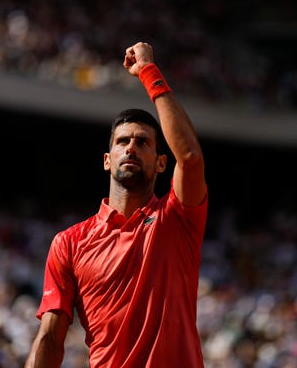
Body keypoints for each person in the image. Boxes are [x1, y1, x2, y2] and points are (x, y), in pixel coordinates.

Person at [25, 41, 208, 367]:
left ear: (162, 162)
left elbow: (191, 157)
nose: (132, 148)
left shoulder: (177, 218)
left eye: (143, 142)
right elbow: (50, 338)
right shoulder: (69, 244)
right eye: (123, 141)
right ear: (108, 160)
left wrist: (149, 73)